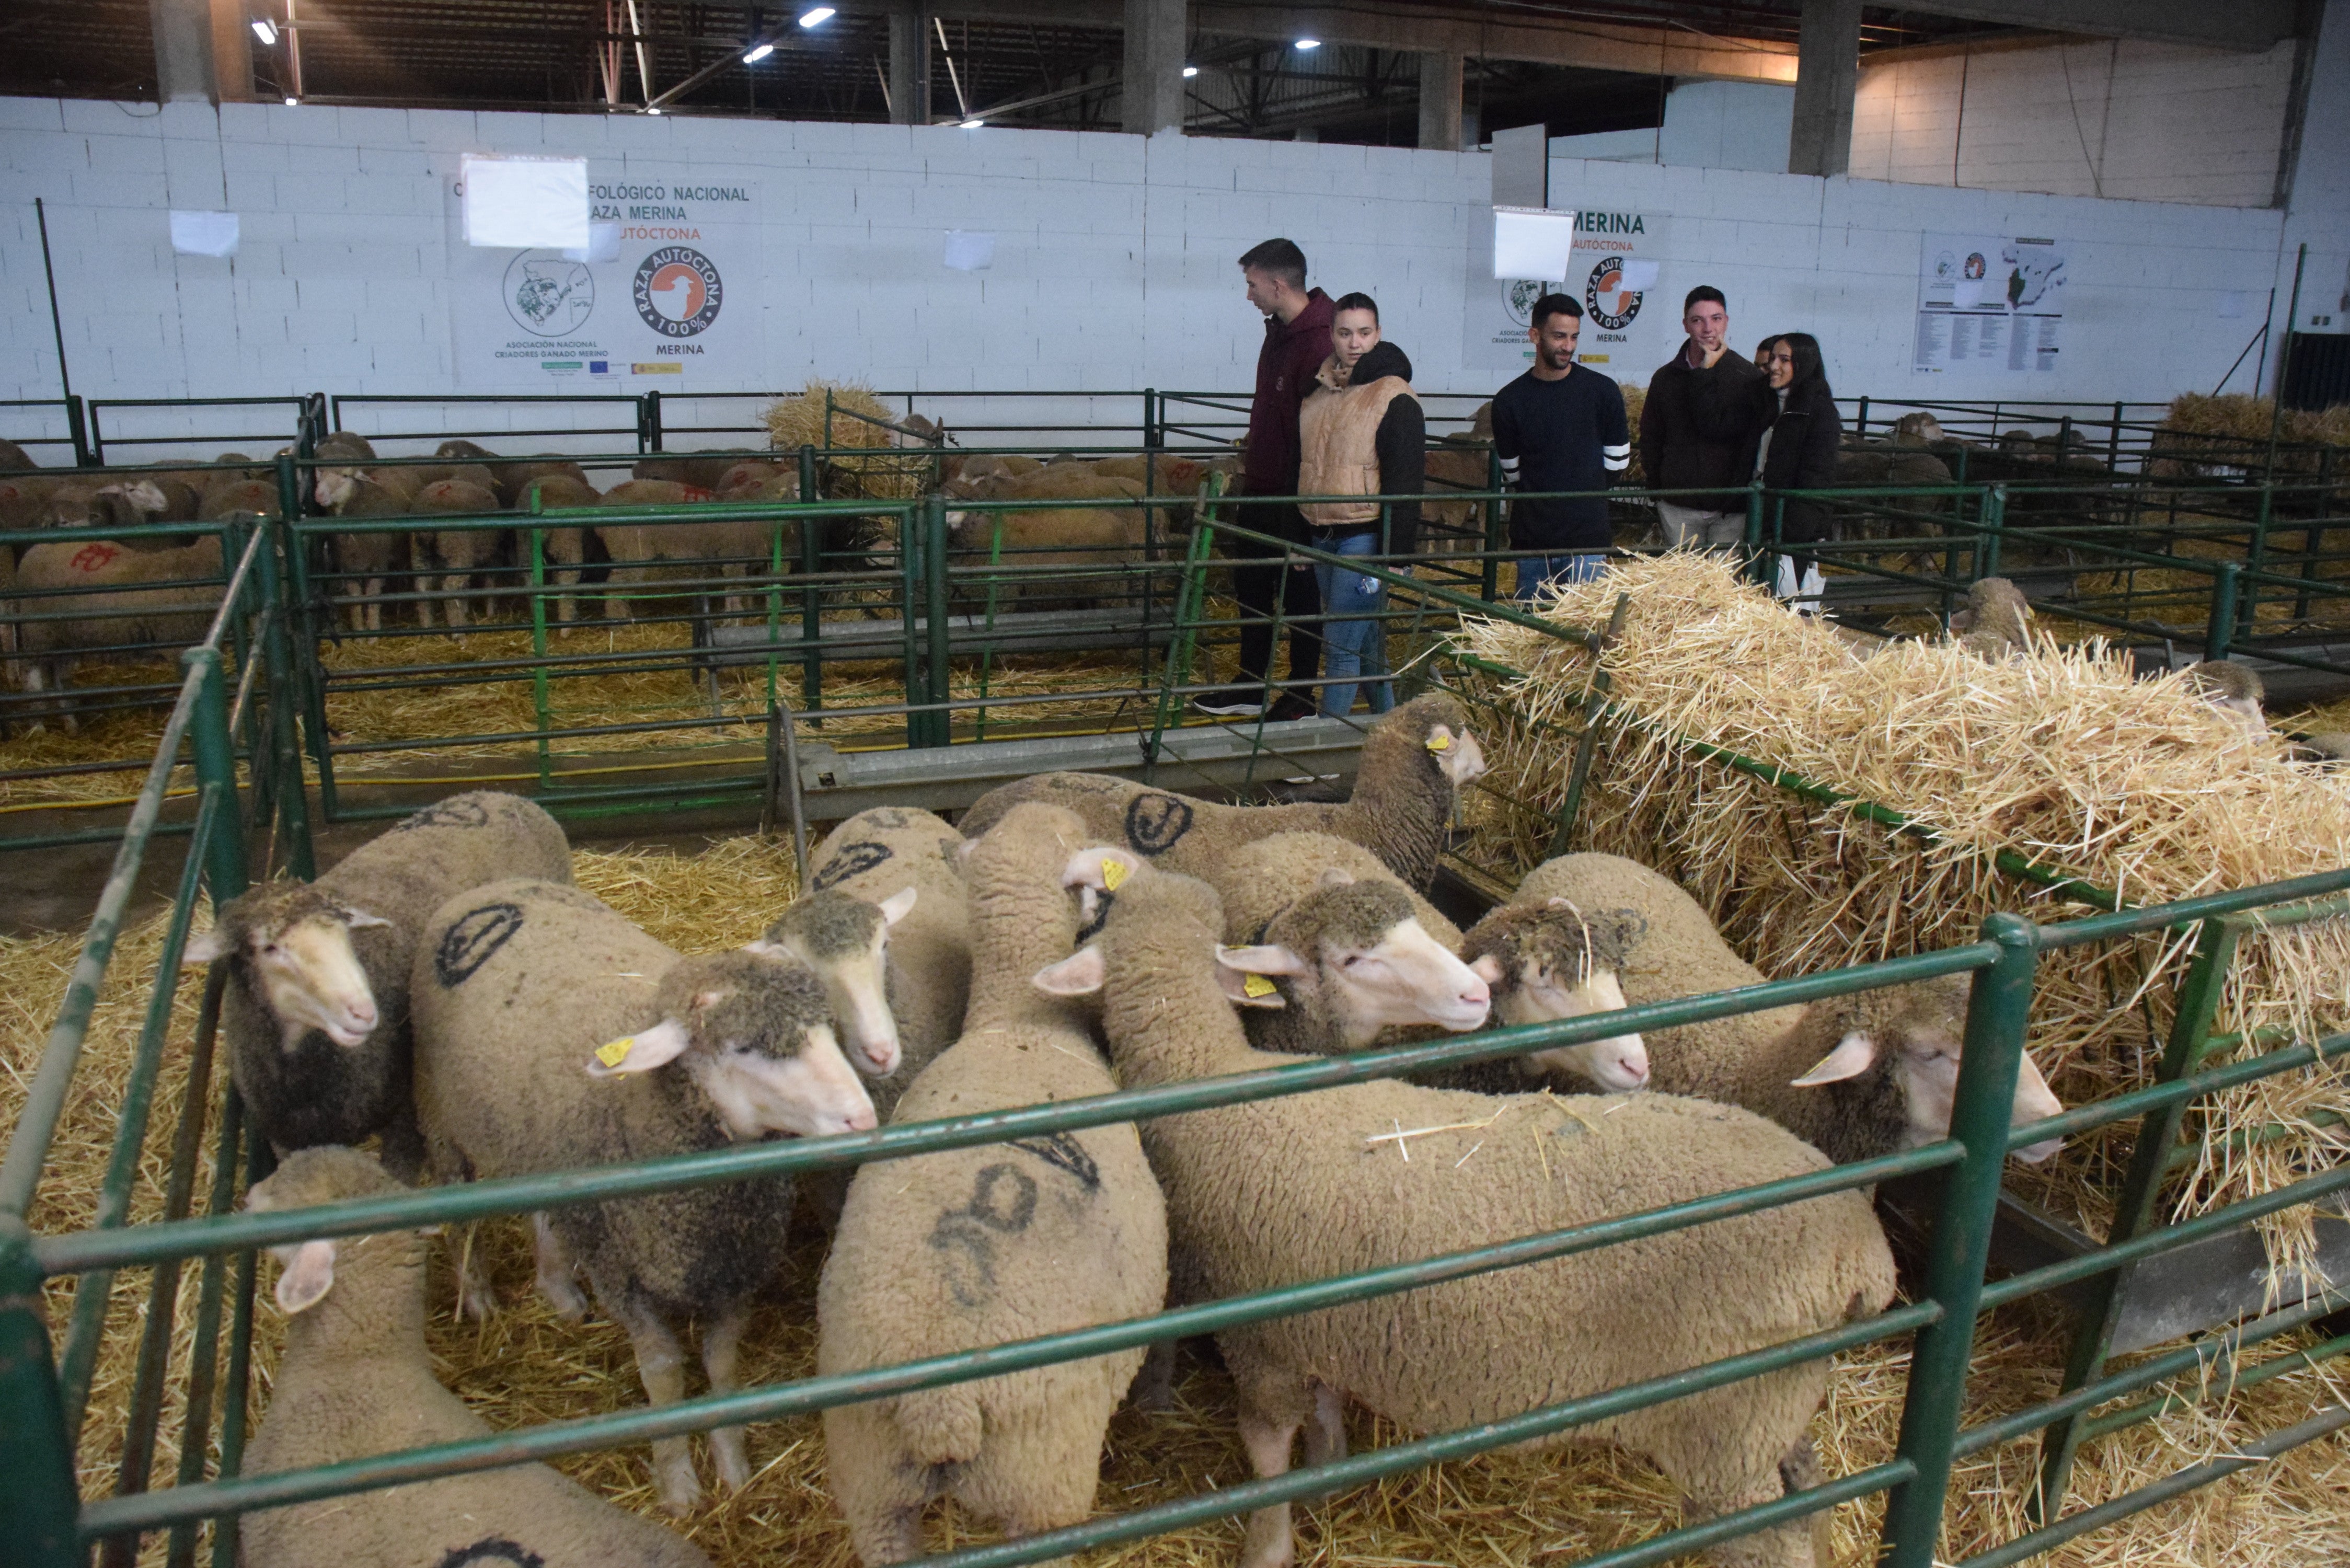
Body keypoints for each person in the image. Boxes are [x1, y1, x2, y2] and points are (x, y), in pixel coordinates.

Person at [1193, 237, 1333, 719]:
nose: (1248, 294)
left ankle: (1299, 696)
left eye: (1252, 285)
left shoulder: (1319, 341)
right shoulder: (1279, 331)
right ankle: (1252, 684)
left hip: (1296, 493)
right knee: (1251, 581)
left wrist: (1299, 514)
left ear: (1278, 284)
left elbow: (1313, 436)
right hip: (1263, 483)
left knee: (1299, 593)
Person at [1295, 292, 1422, 717]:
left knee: (1340, 648)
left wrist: (1396, 553)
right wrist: (1301, 536)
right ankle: (1393, 733)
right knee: (1367, 649)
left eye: (1365, 333)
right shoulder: (1316, 396)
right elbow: (1307, 468)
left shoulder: (1393, 394)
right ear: (1331, 334)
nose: (1355, 343)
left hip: (1365, 538)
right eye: (1345, 333)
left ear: (1378, 335)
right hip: (1323, 534)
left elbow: (1405, 478)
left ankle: (1323, 749)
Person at [1489, 293, 1629, 601]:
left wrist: (1582, 495)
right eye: (1559, 336)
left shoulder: (1604, 392)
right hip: (1534, 541)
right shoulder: (1508, 402)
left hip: (1587, 540)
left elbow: (1619, 462)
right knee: (1532, 641)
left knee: (1584, 635)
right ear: (1534, 336)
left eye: (1574, 337)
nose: (1568, 346)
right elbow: (1512, 471)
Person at [1639, 285, 1764, 550]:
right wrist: (1659, 489)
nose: (1708, 328)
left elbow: (1752, 441)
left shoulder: (1748, 378)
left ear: (1727, 322)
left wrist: (1741, 494)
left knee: (1723, 587)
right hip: (1677, 505)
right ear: (1685, 325)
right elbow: (1651, 436)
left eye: (1716, 319)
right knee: (1682, 584)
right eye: (1698, 320)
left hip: (1731, 508)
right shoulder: (1665, 378)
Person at [1750, 331, 1843, 613]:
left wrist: (1790, 532)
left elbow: (1816, 476)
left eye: (1784, 359)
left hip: (1789, 527)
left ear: (1803, 363)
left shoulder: (1818, 412)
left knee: (1787, 606)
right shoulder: (1769, 403)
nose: (1773, 366)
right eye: (1772, 358)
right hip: (1761, 518)